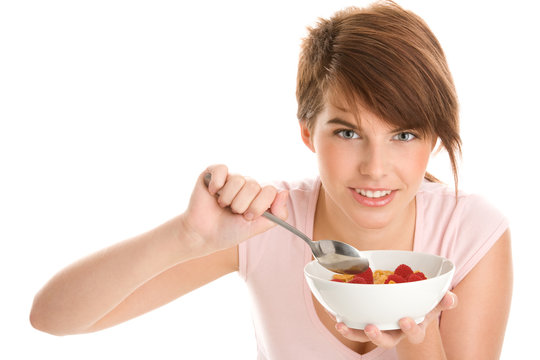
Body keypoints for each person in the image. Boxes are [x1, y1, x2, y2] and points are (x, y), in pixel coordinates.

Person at [29, 1, 512, 359]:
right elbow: (51, 318)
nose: (375, 167)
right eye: (347, 132)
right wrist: (187, 236)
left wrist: (418, 337)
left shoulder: (470, 231)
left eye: (404, 134)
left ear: (433, 141)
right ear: (308, 132)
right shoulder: (269, 223)